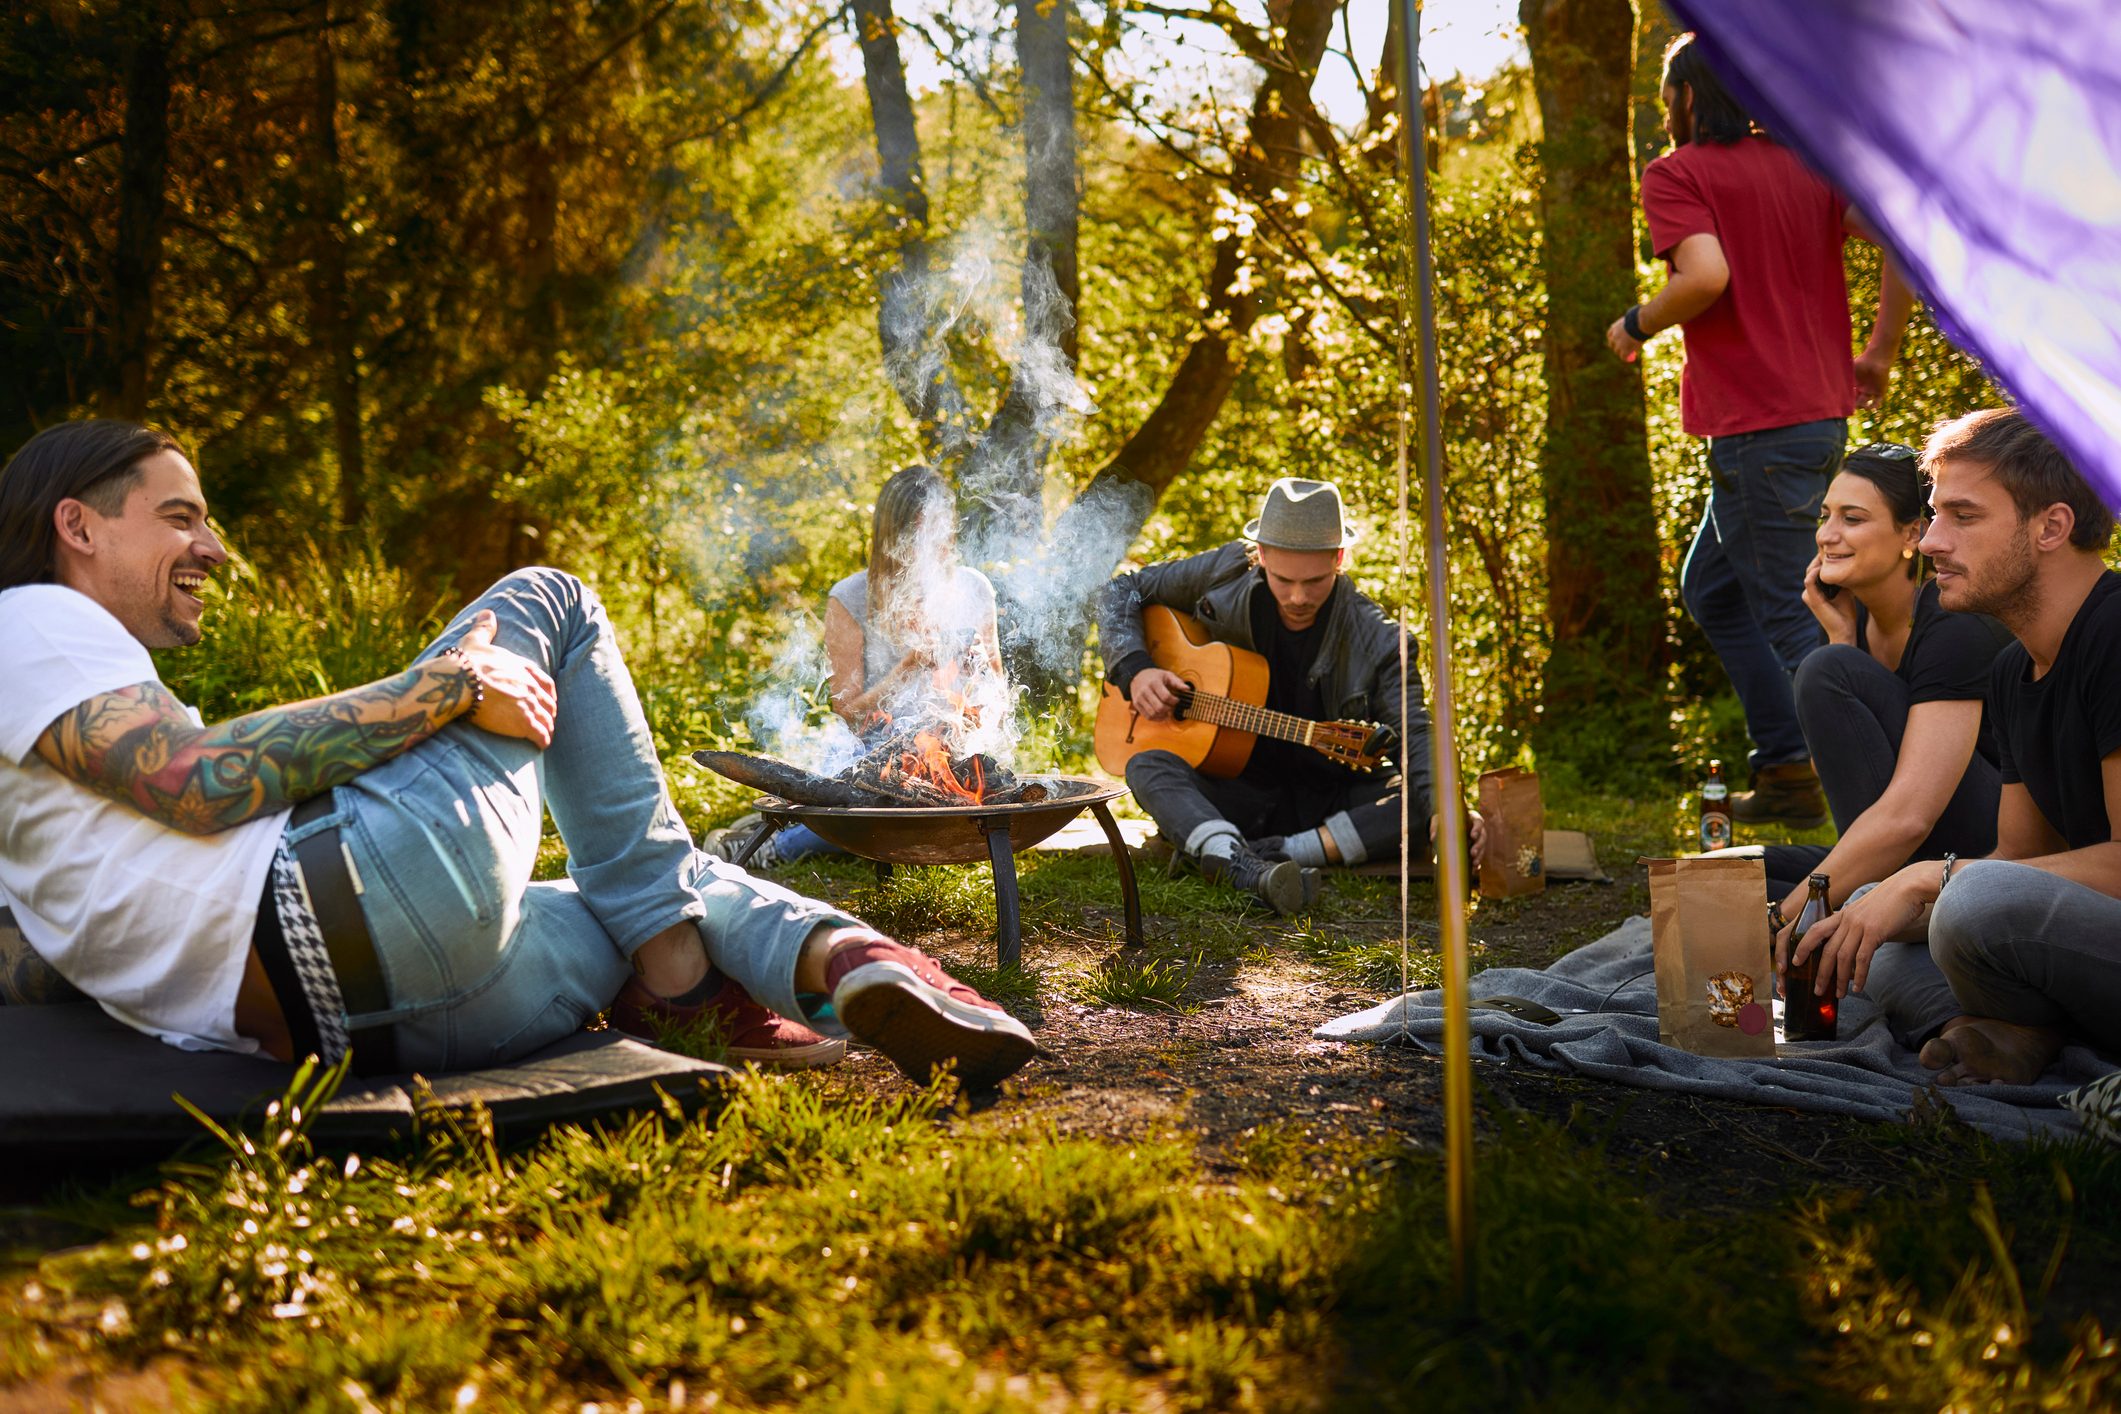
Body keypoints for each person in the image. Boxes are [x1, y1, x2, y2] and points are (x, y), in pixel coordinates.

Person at [0, 421, 1037, 1089]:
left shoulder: (43, 712)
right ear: (76, 526)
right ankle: (699, 974)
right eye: (179, 517)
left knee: (635, 893)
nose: (214, 548)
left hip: (354, 1030)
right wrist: (448, 685)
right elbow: (192, 779)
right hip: (346, 903)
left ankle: (847, 963)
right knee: (551, 597)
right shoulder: (32, 617)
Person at [1608, 32, 1916, 829]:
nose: (1665, 114)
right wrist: (1878, 352)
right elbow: (1904, 234)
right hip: (1814, 422)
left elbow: (1704, 276)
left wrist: (1638, 321)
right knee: (1711, 588)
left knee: (1797, 614)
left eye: (1666, 100)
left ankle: (1887, 814)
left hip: (1757, 431)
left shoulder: (1677, 172)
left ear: (1686, 97)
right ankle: (1784, 767)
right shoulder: (1806, 165)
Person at [1792, 409, 2121, 1085]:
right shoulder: (2014, 669)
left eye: (1962, 516)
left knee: (1967, 902)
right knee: (1865, 923)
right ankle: (2005, 1030)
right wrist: (1886, 902)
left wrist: (1926, 879)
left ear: (2051, 527)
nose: (1932, 540)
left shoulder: (2114, 634)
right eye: (1935, 514)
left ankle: (2011, 1023)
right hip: (2076, 934)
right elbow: (2020, 856)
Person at [1097, 477, 1467, 915]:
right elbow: (1121, 591)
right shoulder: (1226, 570)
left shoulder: (1381, 641)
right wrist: (1136, 669)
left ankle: (1252, 853)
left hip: (1325, 801)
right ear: (1261, 555)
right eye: (1283, 579)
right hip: (1232, 789)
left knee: (1418, 804)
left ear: (1339, 558)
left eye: (1315, 581)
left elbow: (1416, 731)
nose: (1298, 597)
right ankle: (1240, 857)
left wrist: (1445, 809)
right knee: (1146, 765)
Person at [1760, 442, 2013, 944]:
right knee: (1738, 869)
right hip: (1903, 842)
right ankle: (1852, 899)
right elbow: (1837, 775)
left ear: (1912, 534)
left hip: (1982, 855)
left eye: (1852, 519)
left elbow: (1909, 818)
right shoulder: (1850, 625)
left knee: (1826, 670)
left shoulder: (1953, 621)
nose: (1827, 535)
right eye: (1825, 516)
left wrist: (1778, 923)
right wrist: (1841, 638)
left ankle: (1861, 911)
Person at [706, 464, 1008, 871]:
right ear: (892, 534)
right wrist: (908, 667)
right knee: (872, 803)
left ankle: (795, 822)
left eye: (939, 529)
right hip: (873, 751)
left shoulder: (974, 588)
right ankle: (777, 845)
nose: (931, 545)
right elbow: (848, 710)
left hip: (953, 751)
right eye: (918, 532)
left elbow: (998, 687)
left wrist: (977, 689)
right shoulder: (850, 597)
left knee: (971, 790)